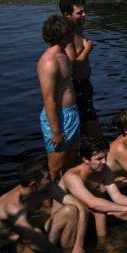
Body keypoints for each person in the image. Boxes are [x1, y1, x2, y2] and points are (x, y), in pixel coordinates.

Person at [0, 158, 84, 253]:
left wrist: (79, 243)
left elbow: (80, 207)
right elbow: (29, 238)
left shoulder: (47, 187)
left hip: (30, 238)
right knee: (34, 234)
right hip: (7, 251)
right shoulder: (13, 206)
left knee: (71, 210)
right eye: (47, 178)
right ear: (34, 185)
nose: (52, 179)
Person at [59, 138, 127, 238]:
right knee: (103, 215)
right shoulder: (72, 176)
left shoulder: (104, 169)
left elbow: (116, 196)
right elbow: (93, 203)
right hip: (69, 219)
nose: (104, 162)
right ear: (85, 159)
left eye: (105, 157)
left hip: (87, 213)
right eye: (99, 159)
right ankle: (105, 248)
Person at [38, 15, 80, 182]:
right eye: (71, 31)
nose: (74, 33)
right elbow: (48, 100)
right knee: (54, 167)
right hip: (58, 117)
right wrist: (56, 131)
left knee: (70, 161)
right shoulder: (49, 62)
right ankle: (47, 206)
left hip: (72, 113)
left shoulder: (63, 53)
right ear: (63, 33)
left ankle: (65, 197)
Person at [59, 0, 101, 138]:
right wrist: (88, 48)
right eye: (79, 13)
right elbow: (73, 66)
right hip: (76, 85)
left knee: (85, 127)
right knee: (93, 129)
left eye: (84, 11)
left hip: (84, 84)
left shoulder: (78, 29)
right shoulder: (68, 35)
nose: (84, 15)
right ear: (67, 15)